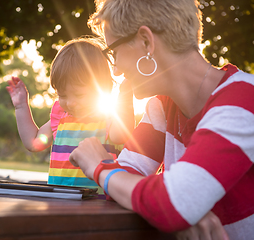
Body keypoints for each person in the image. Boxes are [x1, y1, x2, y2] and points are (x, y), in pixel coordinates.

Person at [68, 0, 254, 239]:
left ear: (146, 42)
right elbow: (125, 178)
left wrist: (100, 168)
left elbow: (172, 202)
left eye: (114, 52)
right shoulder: (161, 107)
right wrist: (179, 207)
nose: (116, 70)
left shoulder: (244, 99)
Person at [6, 37, 134, 189]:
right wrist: (21, 106)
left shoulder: (108, 118)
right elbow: (33, 142)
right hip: (60, 200)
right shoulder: (61, 118)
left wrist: (126, 95)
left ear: (103, 89)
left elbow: (121, 135)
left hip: (98, 202)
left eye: (79, 95)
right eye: (63, 95)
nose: (70, 103)